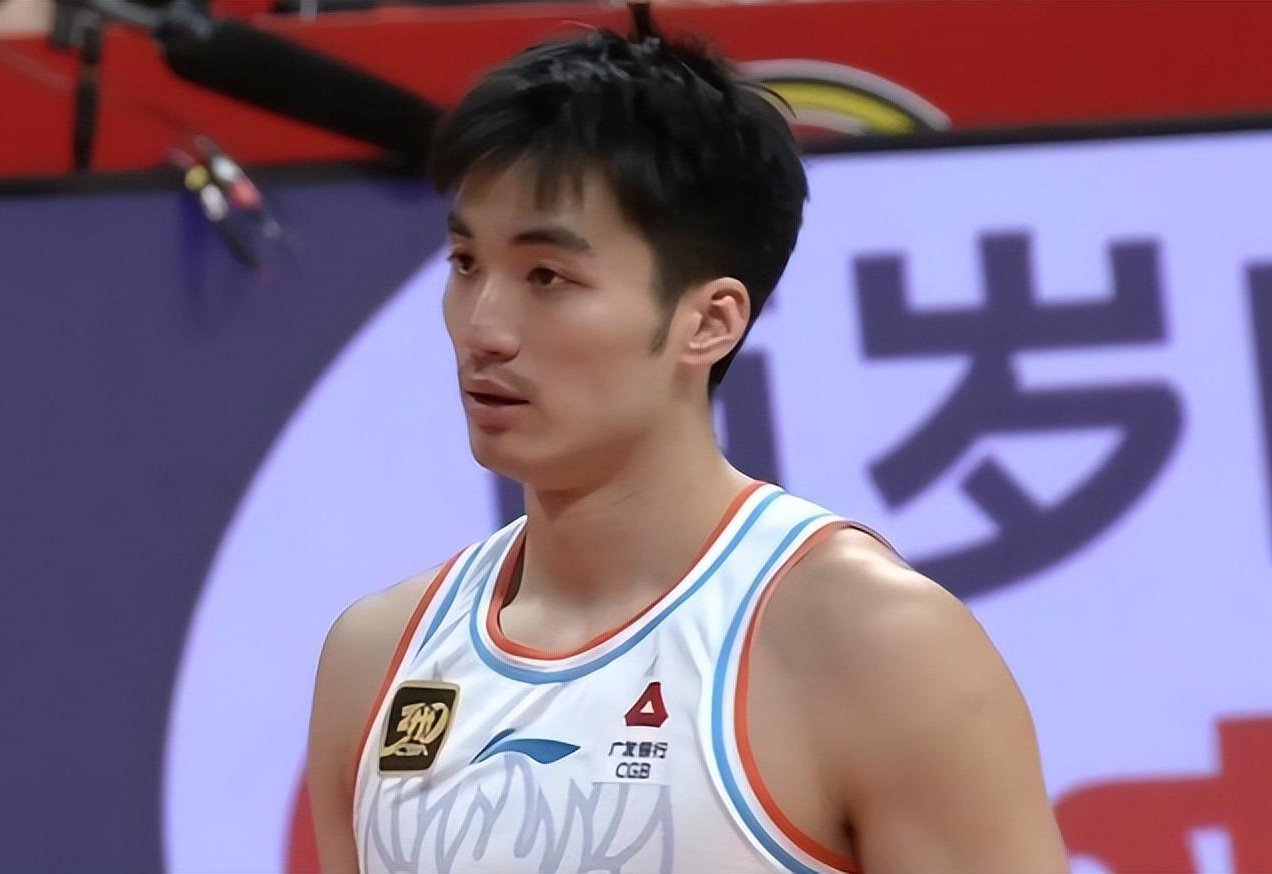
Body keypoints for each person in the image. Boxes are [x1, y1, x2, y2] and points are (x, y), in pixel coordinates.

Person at [307, 6, 1070, 872]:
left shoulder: (877, 645)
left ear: (709, 321)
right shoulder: (378, 656)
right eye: (466, 264)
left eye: (546, 276)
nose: (483, 328)